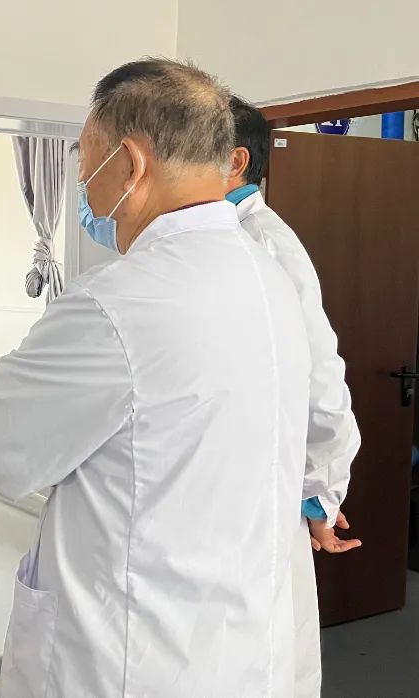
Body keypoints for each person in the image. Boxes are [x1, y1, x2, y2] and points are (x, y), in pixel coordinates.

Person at [0, 59, 312, 696]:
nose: (83, 183)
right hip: (240, 645)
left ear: (130, 163)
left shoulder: (115, 304)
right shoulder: (270, 277)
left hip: (133, 654)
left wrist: (14, 375)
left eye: (85, 161)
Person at [227, 96, 362, 697]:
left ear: (234, 161)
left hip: (260, 495)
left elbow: (323, 386)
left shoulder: (266, 243)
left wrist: (319, 493)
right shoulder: (217, 240)